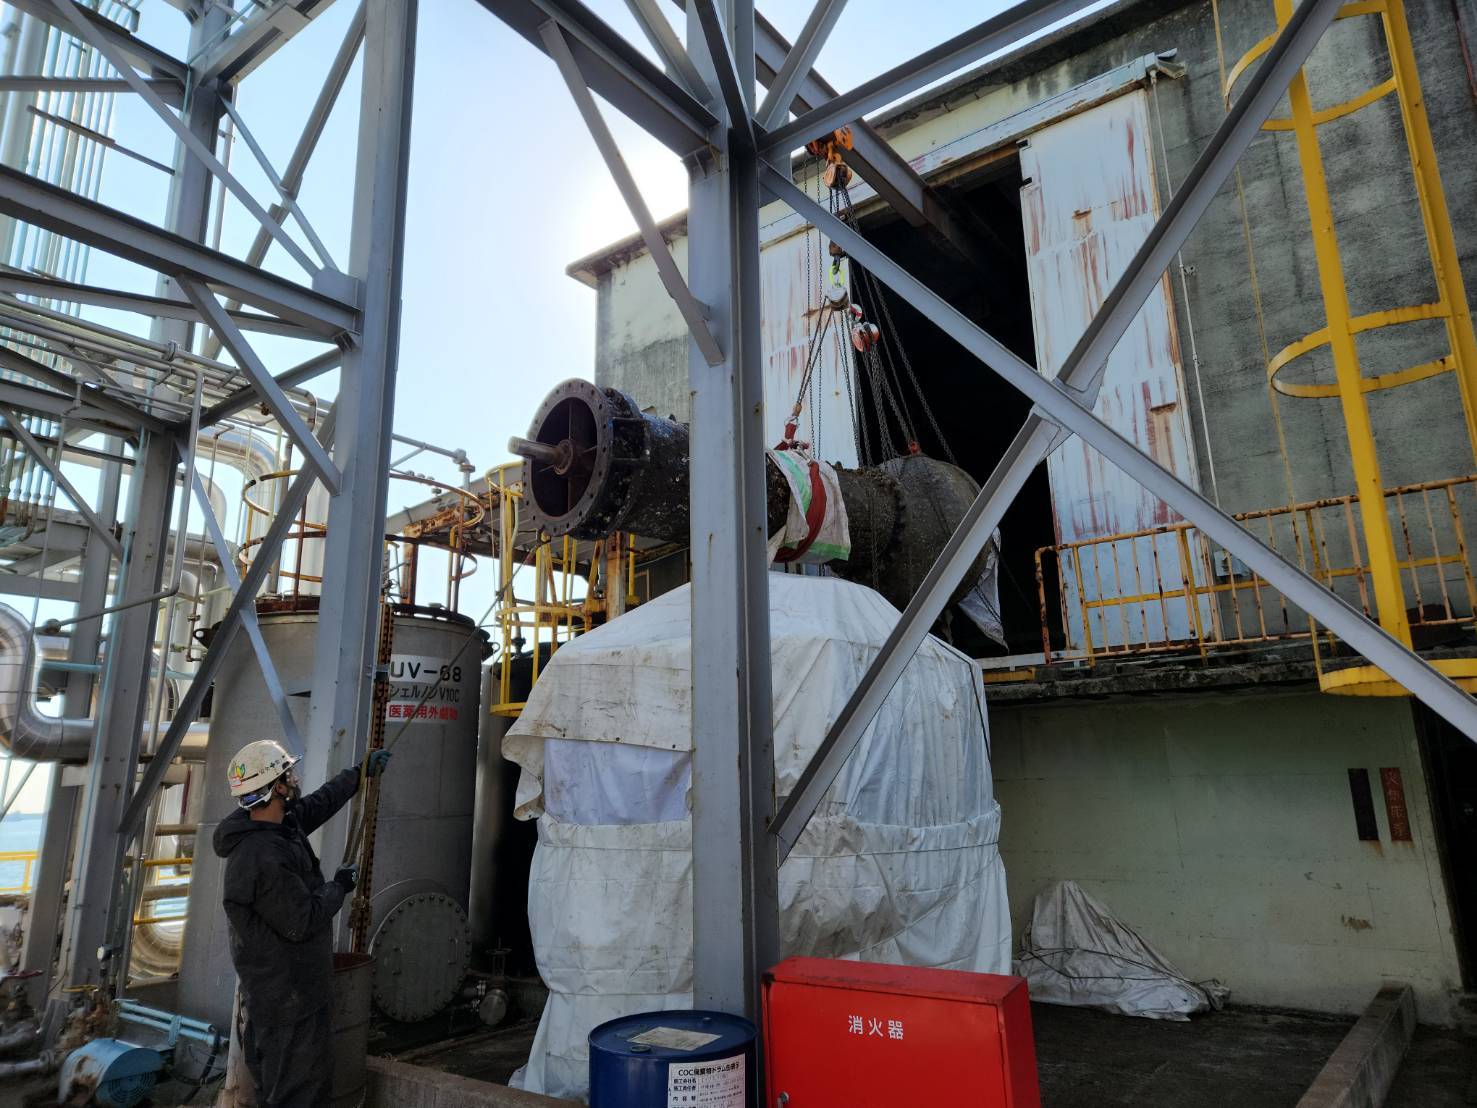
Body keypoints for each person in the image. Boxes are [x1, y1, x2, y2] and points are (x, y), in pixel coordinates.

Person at [214, 739, 392, 1108]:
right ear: (275, 788)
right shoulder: (263, 856)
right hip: (288, 1002)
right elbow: (301, 920)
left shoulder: (274, 826)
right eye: (287, 776)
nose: (293, 780)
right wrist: (339, 886)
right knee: (300, 1095)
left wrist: (359, 774)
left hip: (287, 995)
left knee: (288, 1091)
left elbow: (318, 804)